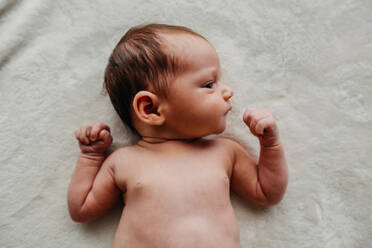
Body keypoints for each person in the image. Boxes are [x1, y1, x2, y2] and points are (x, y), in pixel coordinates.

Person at [67, 23, 288, 248]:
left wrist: (270, 145)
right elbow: (81, 209)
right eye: (209, 84)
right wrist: (91, 156)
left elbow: (267, 193)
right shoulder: (124, 161)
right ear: (150, 109)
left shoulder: (225, 152)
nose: (228, 91)